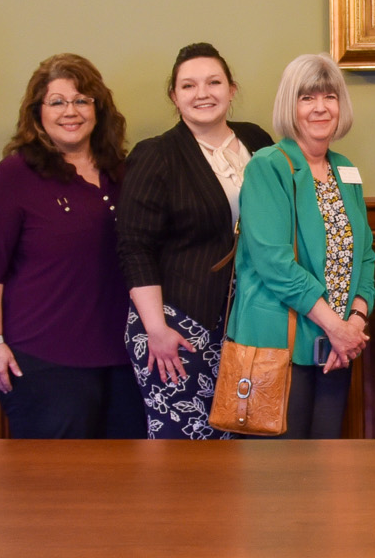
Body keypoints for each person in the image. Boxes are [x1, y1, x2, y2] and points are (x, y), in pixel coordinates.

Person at [0, 54, 145, 440]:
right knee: (57, 486)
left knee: (124, 484)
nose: (71, 111)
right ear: (37, 113)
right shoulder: (16, 174)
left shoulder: (124, 172)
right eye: (57, 101)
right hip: (45, 359)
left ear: (99, 108)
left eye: (82, 100)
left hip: (123, 357)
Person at [117, 43, 275, 440]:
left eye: (213, 82)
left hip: (245, 325)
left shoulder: (257, 142)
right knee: (183, 452)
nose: (202, 93)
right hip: (176, 329)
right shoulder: (156, 155)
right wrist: (156, 329)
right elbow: (135, 247)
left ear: (232, 89)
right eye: (188, 85)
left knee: (242, 450)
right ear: (174, 96)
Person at [226, 53, 375, 439]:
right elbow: (274, 262)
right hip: (279, 347)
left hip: (337, 349)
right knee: (277, 482)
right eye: (307, 98)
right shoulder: (268, 166)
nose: (321, 107)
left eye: (329, 96)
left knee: (325, 473)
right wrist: (335, 326)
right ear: (289, 106)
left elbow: (366, 256)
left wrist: (355, 322)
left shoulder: (345, 170)